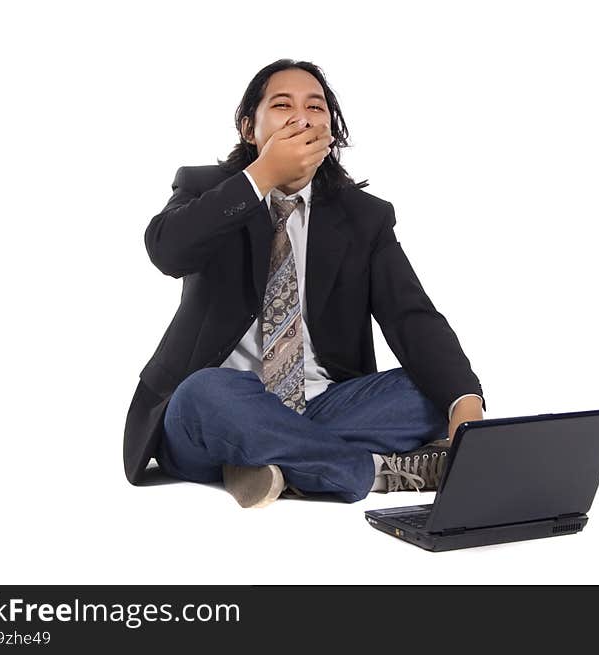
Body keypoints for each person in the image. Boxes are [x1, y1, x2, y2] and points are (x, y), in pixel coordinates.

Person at [123, 59, 486, 508]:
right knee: (204, 393)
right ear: (248, 128)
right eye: (282, 105)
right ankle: (370, 471)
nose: (301, 117)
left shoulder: (363, 217)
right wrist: (263, 176)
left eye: (315, 107)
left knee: (428, 390)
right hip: (218, 405)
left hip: (322, 402)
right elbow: (167, 252)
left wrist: (466, 409)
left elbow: (414, 319)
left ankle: (270, 462)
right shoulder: (205, 188)